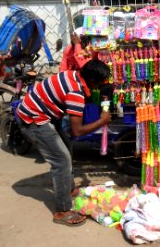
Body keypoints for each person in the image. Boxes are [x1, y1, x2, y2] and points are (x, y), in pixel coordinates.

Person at [17, 59, 112, 226]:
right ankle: (62, 211)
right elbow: (78, 131)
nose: (99, 87)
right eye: (99, 84)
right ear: (91, 80)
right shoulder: (75, 93)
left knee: (67, 149)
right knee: (61, 161)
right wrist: (102, 121)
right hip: (34, 120)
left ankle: (68, 189)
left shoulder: (74, 75)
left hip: (46, 114)